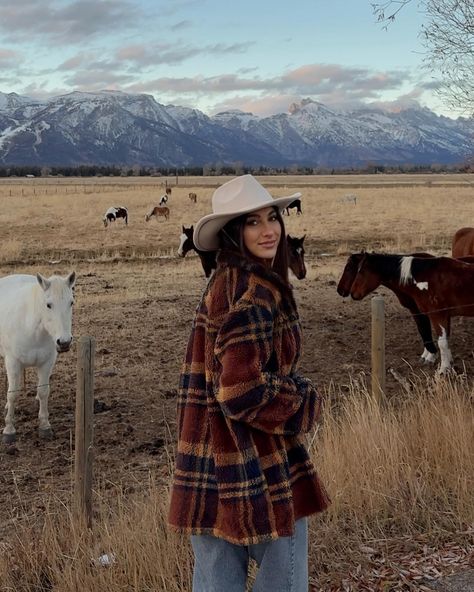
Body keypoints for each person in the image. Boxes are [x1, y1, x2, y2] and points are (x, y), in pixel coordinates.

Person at [168, 174, 329, 592]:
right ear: (233, 233)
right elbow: (242, 390)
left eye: (271, 217)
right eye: (252, 222)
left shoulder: (221, 283)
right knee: (285, 581)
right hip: (256, 465)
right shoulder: (257, 291)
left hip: (206, 465)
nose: (268, 229)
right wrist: (303, 401)